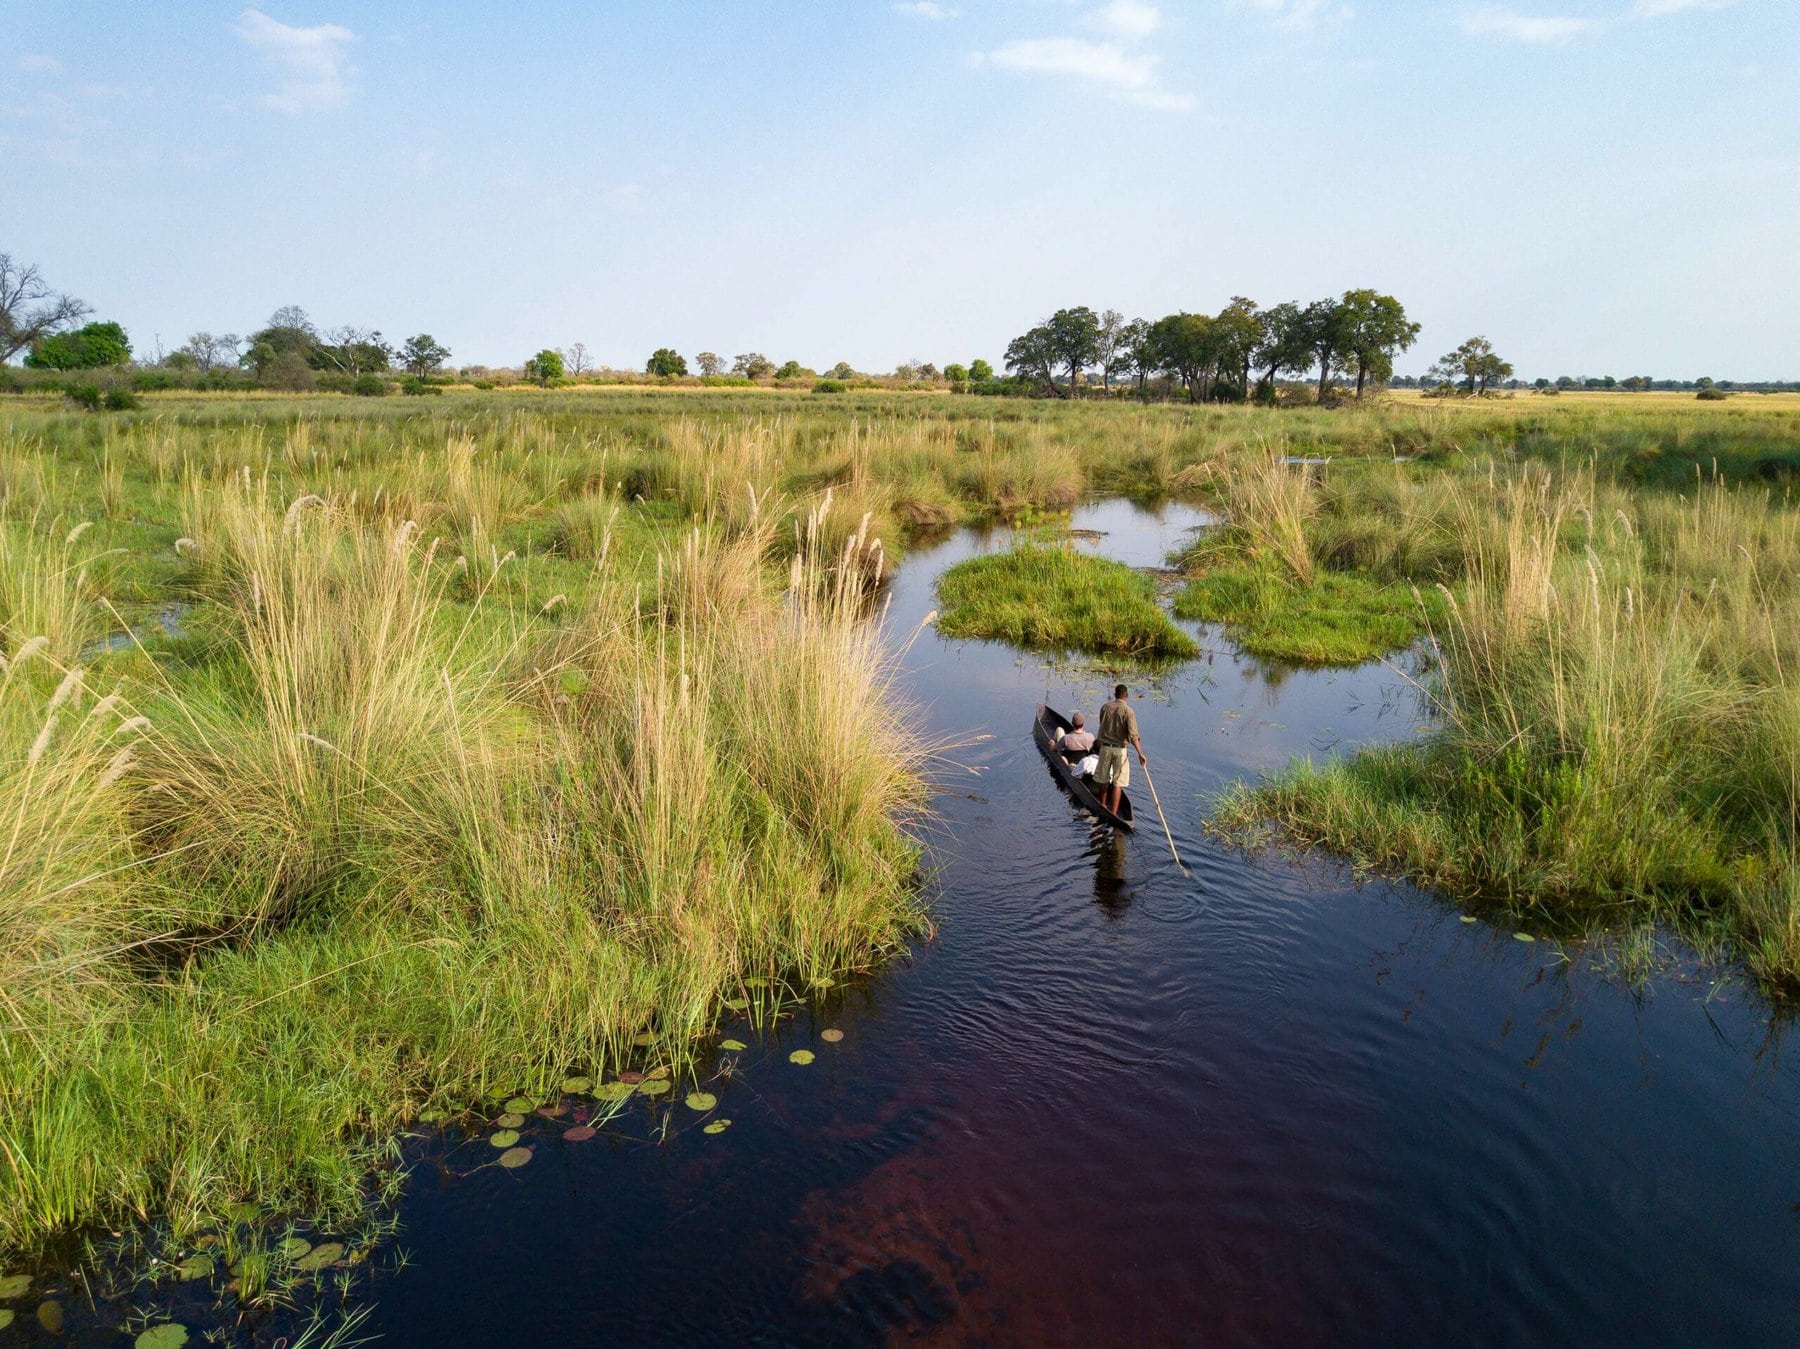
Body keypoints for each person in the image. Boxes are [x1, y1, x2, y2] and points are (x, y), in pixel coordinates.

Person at [1094, 683, 1146, 818]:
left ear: (1115, 695)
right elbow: (1134, 736)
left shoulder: (1105, 707)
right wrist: (1140, 753)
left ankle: (1103, 805)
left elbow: (1102, 725)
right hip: (1120, 750)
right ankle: (1113, 813)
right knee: (1118, 783)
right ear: (1126, 696)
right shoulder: (1128, 711)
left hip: (1105, 748)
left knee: (1103, 779)